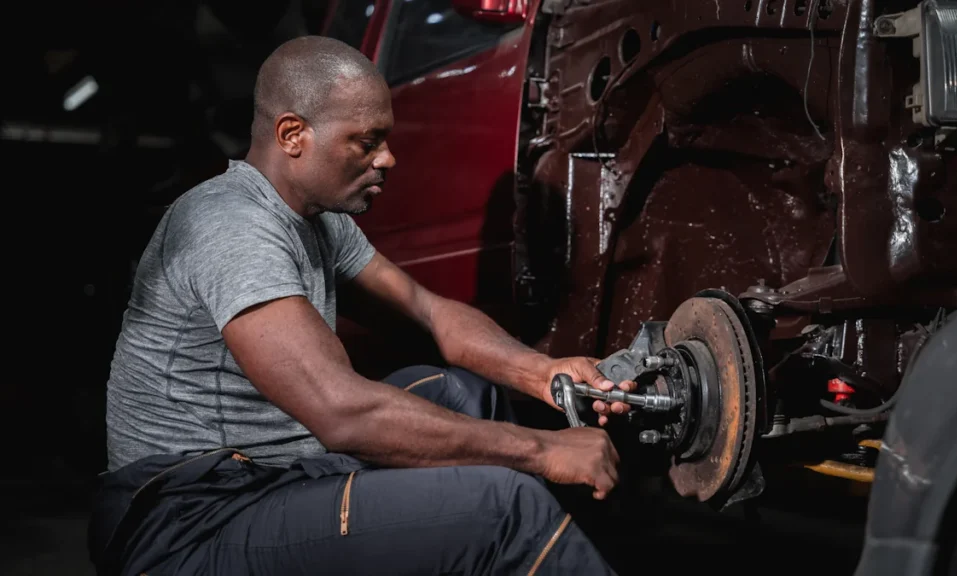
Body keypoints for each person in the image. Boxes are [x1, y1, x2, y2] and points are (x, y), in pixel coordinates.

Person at [88, 35, 636, 575]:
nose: (388, 158)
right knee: (507, 508)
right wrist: (542, 449)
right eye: (366, 141)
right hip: (190, 521)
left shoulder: (319, 220)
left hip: (274, 470)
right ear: (293, 134)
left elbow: (430, 313)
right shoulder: (230, 225)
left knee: (460, 390)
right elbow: (343, 412)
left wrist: (542, 373)